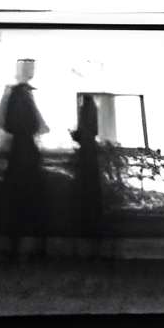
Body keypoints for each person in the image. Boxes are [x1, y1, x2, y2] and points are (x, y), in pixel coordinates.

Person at [0, 63, 52, 260]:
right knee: (32, 200)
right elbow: (38, 125)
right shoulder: (24, 100)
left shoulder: (12, 100)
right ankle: (34, 246)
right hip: (27, 155)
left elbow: (5, 123)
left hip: (16, 155)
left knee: (15, 202)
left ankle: (16, 246)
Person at [68, 93, 114, 260]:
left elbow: (86, 132)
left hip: (86, 160)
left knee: (86, 202)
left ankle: (88, 245)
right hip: (90, 161)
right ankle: (95, 246)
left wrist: (75, 135)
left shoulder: (86, 106)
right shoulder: (92, 105)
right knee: (93, 201)